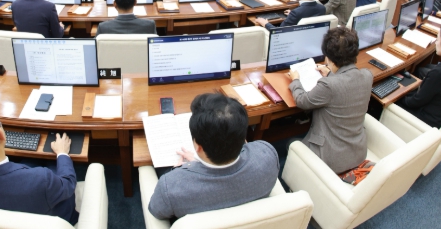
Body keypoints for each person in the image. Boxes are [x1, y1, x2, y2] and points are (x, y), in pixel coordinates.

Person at [148, 93, 279, 220]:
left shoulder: (171, 186)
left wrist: (185, 169)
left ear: (198, 146)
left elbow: (156, 211)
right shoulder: (267, 155)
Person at [0, 98, 78, 224]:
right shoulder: (41, 180)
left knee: (29, 161)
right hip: (51, 219)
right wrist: (62, 153)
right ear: (0, 133)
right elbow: (68, 184)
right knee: (51, 163)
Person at [287, 27, 372, 173]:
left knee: (290, 143)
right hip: (357, 152)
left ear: (329, 59)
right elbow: (345, 85)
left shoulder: (328, 85)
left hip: (331, 159)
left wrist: (295, 80)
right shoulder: (367, 75)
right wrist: (331, 73)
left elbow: (302, 100)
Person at [397, 23, 441, 128]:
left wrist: (399, 97)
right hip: (440, 115)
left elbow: (416, 101)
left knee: (391, 102)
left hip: (428, 120)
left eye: (437, 39)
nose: (435, 43)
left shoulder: (438, 73)